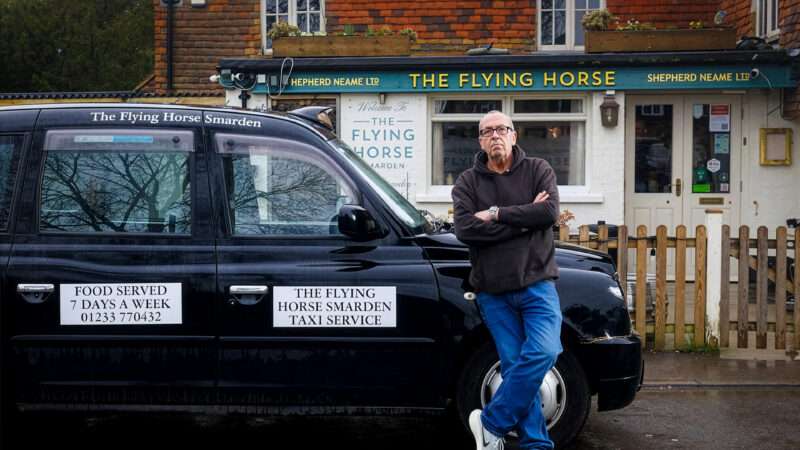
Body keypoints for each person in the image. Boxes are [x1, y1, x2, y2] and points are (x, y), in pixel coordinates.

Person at [451, 110, 563, 450]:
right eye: (487, 132)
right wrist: (524, 217)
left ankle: (490, 423)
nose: (495, 135)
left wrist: (497, 213)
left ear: (514, 135)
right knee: (515, 367)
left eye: (502, 129)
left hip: (537, 285)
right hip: (493, 293)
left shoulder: (538, 170)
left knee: (545, 351)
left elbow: (548, 213)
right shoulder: (468, 182)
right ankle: (536, 445)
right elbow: (466, 230)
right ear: (481, 141)